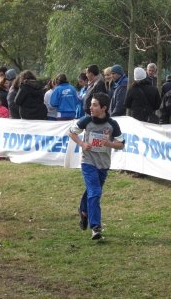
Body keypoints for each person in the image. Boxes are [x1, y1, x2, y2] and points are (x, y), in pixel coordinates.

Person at [69, 92, 125, 240]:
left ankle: (83, 210)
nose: (90, 107)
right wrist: (82, 143)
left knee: (93, 191)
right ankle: (95, 227)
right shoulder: (86, 120)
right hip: (87, 161)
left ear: (104, 108)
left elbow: (121, 144)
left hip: (103, 164)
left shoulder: (112, 124)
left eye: (95, 105)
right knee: (95, 192)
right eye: (91, 104)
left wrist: (110, 144)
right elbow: (71, 132)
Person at [124, 67, 161, 178]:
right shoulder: (153, 89)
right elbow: (158, 105)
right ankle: (150, 168)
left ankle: (139, 169)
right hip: (150, 120)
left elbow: (126, 104)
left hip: (137, 120)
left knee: (137, 145)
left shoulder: (132, 89)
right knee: (149, 144)